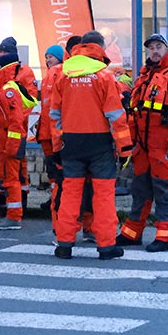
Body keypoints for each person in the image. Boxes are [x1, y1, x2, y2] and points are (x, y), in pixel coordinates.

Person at [50, 30, 132, 260]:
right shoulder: (104, 76)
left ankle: (64, 244)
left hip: (71, 143)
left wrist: (57, 146)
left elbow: (54, 115)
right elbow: (116, 116)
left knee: (70, 194)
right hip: (99, 143)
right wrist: (124, 148)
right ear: (99, 49)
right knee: (104, 195)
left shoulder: (63, 75)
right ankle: (106, 246)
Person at [116, 34, 168, 251]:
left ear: (166, 48)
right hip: (143, 145)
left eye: (158, 46)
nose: (154, 51)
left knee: (164, 189)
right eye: (150, 47)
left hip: (164, 144)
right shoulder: (145, 77)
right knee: (140, 189)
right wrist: (131, 141)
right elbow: (134, 113)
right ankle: (132, 232)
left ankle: (165, 234)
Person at [0, 36, 37, 216]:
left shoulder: (25, 72)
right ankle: (0, 194)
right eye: (0, 52)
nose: (1, 55)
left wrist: (16, 119)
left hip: (15, 125)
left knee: (16, 162)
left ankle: (20, 196)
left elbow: (30, 100)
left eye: (4, 52)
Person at [36, 44, 65, 220]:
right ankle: (54, 197)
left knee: (56, 167)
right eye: (46, 56)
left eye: (51, 56)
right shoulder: (48, 75)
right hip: (46, 130)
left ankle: (57, 198)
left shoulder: (59, 73)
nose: (48, 59)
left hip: (53, 131)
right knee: (51, 168)